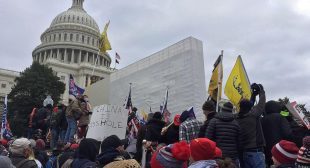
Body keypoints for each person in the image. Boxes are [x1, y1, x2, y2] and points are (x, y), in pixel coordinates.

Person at [237, 83, 266, 168]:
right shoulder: (253, 115)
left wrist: (253, 95)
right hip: (256, 152)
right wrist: (261, 90)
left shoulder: (237, 117)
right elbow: (261, 103)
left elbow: (249, 105)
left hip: (244, 152)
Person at [206, 101, 241, 167]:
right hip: (232, 157)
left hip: (217, 156)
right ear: (231, 111)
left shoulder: (213, 121)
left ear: (222, 109)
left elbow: (207, 140)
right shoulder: (236, 123)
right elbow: (239, 142)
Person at [262, 100, 293, 167]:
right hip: (280, 150)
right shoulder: (280, 116)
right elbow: (287, 133)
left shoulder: (262, 119)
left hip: (267, 151)